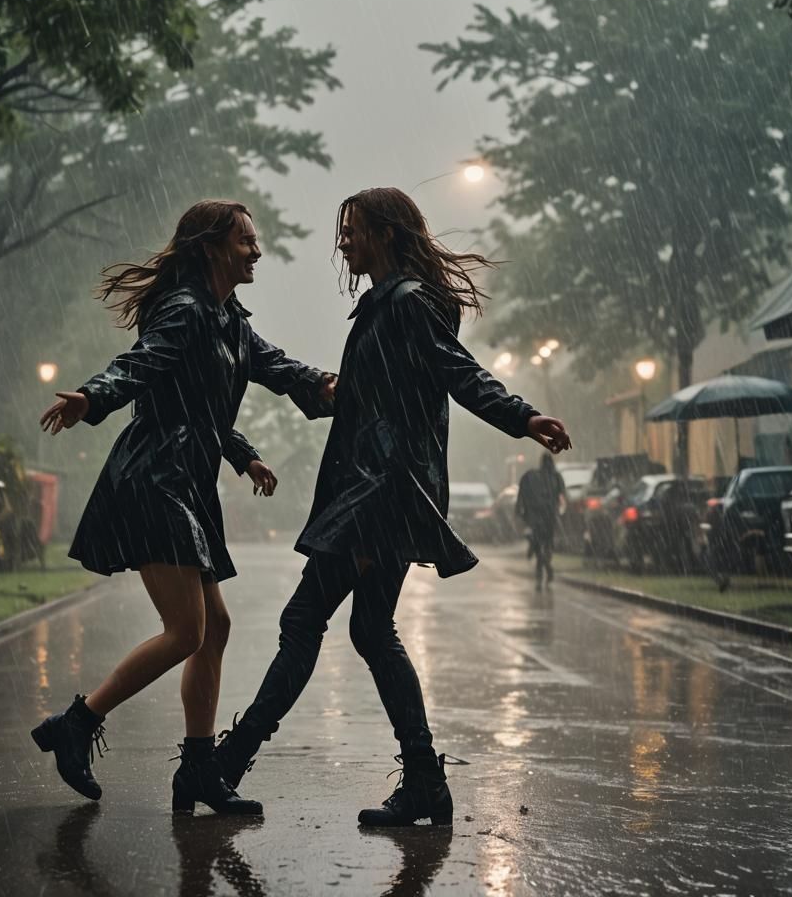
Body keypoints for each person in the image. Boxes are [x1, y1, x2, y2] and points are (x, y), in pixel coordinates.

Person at [215, 187, 571, 826]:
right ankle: (426, 783)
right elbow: (374, 394)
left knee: (304, 623)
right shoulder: (390, 306)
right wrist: (324, 389)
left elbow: (458, 373)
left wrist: (523, 417)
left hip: (378, 492)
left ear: (385, 234)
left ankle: (231, 761)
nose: (343, 241)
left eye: (352, 229)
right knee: (370, 630)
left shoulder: (405, 304)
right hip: (383, 490)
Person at [31, 200, 334, 814]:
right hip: (153, 479)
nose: (256, 250)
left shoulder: (230, 321)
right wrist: (92, 397)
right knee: (188, 630)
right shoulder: (185, 310)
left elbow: (270, 376)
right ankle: (77, 722)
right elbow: (140, 367)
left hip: (187, 484)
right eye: (246, 241)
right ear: (211, 247)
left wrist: (306, 404)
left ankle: (197, 768)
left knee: (213, 629)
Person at [515, 453, 565, 590]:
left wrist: (521, 511)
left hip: (534, 517)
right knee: (547, 542)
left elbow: (521, 496)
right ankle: (546, 565)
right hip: (549, 516)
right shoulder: (556, 477)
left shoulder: (529, 477)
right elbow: (562, 497)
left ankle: (541, 567)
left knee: (538, 543)